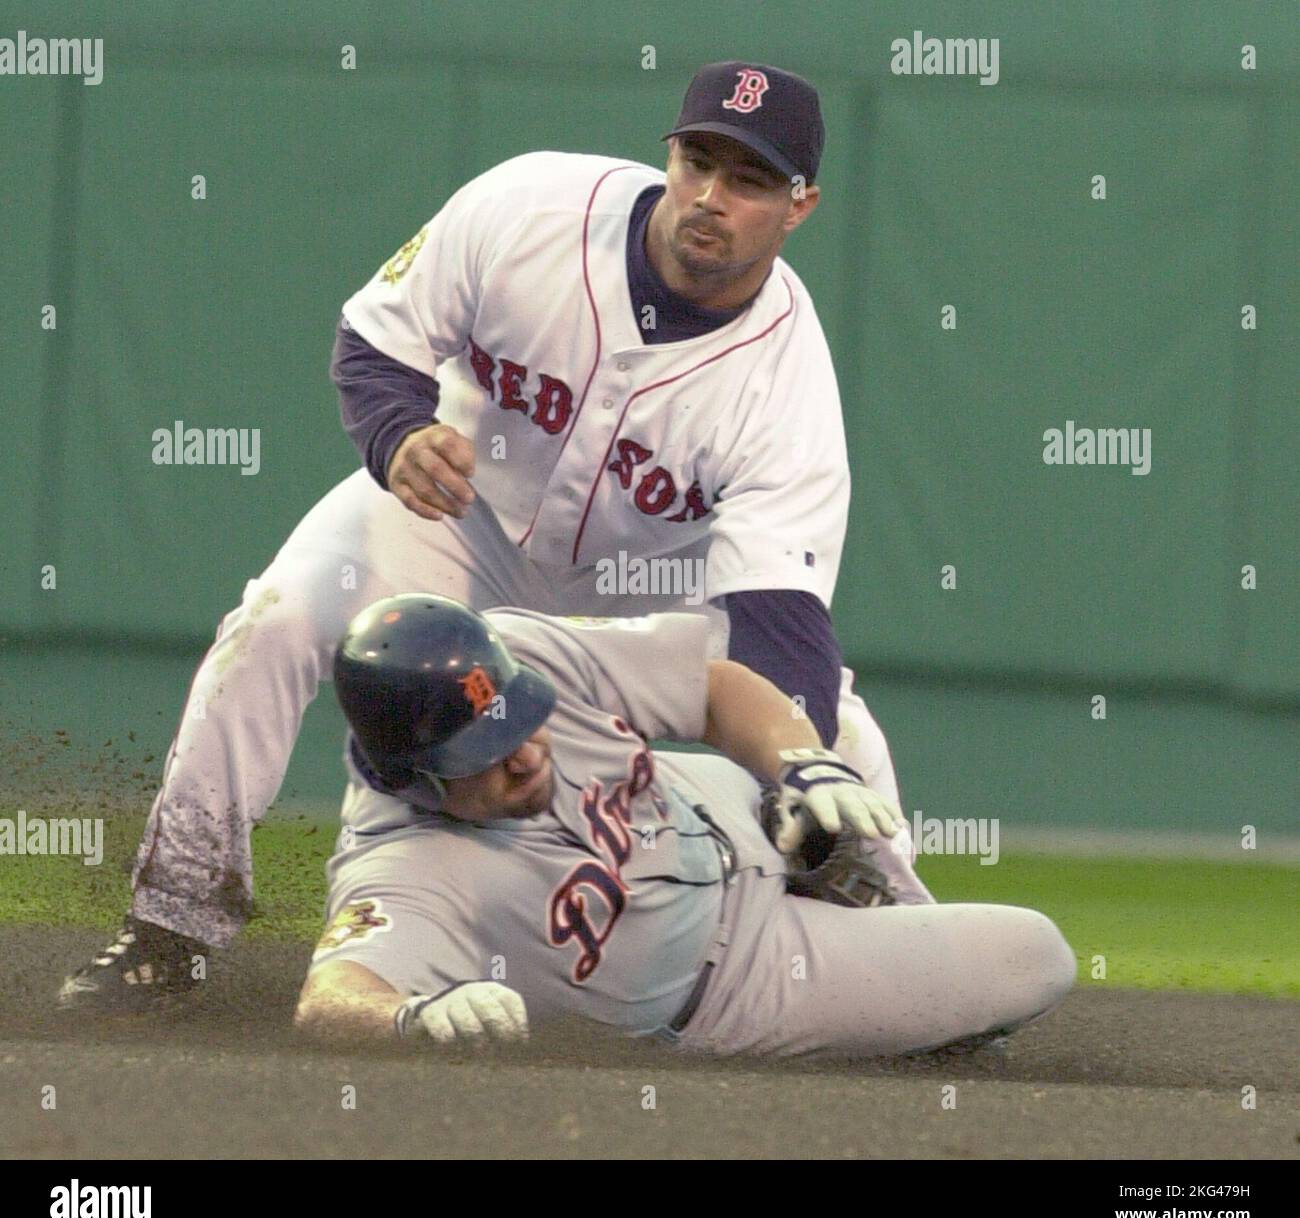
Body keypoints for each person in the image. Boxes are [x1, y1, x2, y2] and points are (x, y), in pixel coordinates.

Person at [59, 60, 933, 1014]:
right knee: (275, 620)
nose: (710, 197)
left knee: (840, 744)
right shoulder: (530, 209)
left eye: (750, 179)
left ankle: (910, 968)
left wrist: (792, 765)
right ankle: (173, 924)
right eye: (697, 160)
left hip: (641, 590)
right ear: (669, 153)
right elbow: (373, 342)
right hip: (454, 515)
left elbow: (777, 616)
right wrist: (396, 436)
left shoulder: (786, 382)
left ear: (800, 205)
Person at [294, 595, 1075, 1058]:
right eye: (487, 750)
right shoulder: (402, 863)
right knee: (1035, 954)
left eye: (523, 717)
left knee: (834, 766)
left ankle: (818, 844)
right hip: (740, 983)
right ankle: (889, 983)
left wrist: (804, 761)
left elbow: (712, 689)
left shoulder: (522, 645)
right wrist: (407, 1017)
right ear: (409, 774)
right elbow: (330, 999)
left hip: (720, 802)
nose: (527, 751)